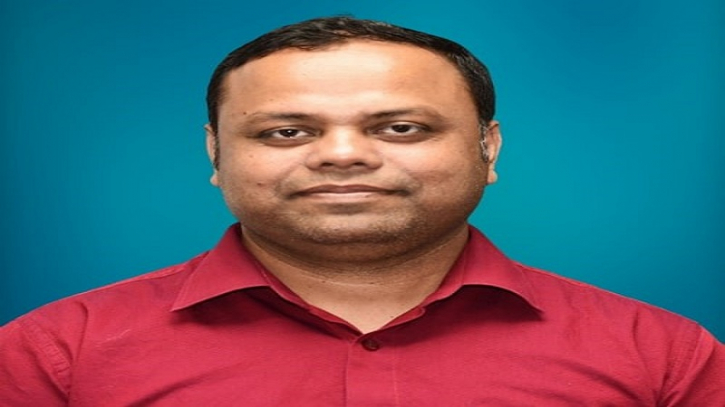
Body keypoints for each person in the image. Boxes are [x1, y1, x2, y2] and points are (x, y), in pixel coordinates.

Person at [1, 16, 722, 406]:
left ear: (488, 147)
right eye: (287, 132)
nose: (342, 156)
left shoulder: (663, 357)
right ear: (216, 153)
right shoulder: (53, 357)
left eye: (400, 128)